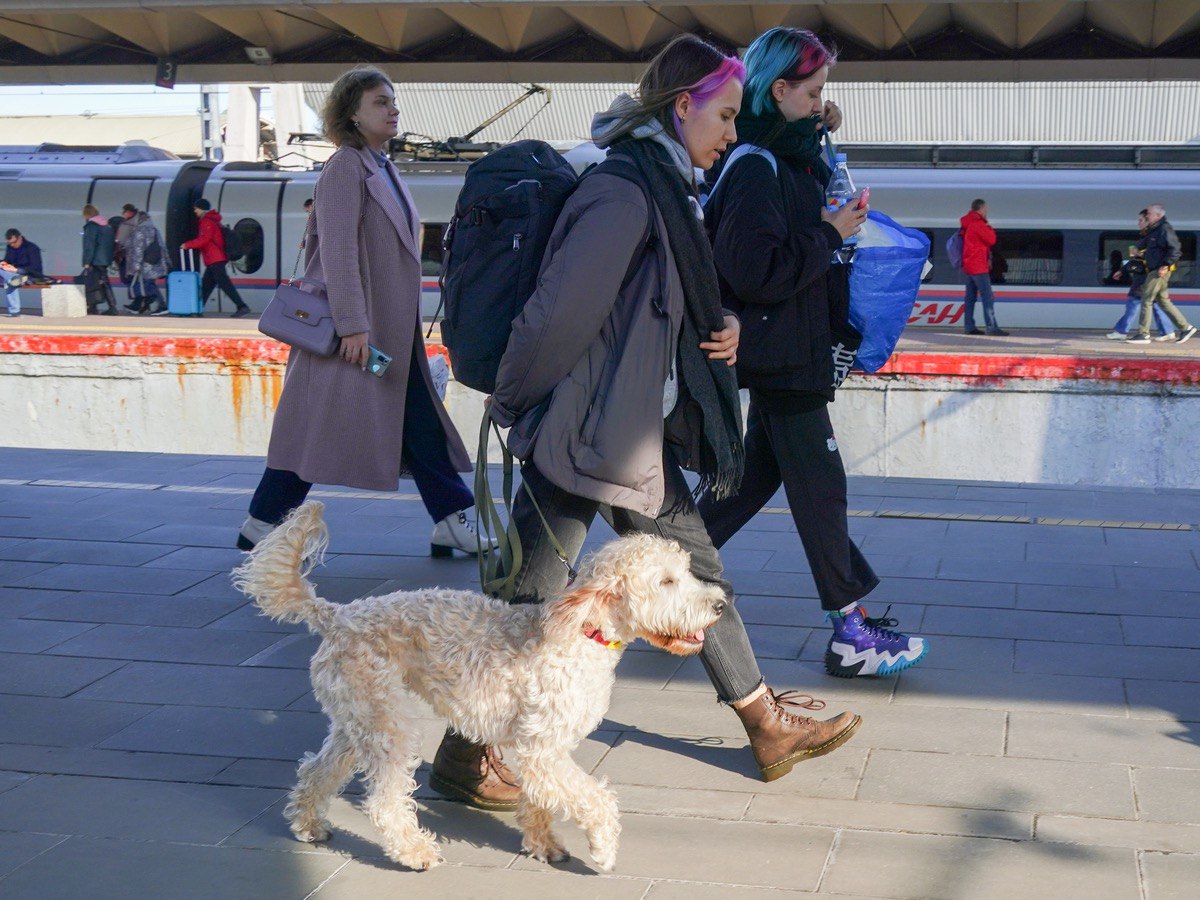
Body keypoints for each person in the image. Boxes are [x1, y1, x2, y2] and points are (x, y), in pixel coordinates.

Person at [428, 35, 863, 811]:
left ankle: (467, 759)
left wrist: (719, 325)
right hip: (599, 430)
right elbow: (561, 311)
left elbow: (646, 307)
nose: (733, 131)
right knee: (609, 585)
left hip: (616, 423)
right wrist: (516, 399)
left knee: (549, 589)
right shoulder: (625, 192)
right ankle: (762, 725)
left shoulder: (659, 184)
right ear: (683, 105)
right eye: (725, 114)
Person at [696, 26, 928, 683]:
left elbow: (795, 226)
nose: (823, 102)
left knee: (749, 484)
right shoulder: (755, 167)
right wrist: (829, 232)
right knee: (822, 491)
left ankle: (662, 575)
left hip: (794, 350)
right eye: (815, 91)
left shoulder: (789, 156)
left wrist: (823, 135)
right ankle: (849, 633)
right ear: (779, 90)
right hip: (778, 355)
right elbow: (752, 269)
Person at [239, 66, 493, 567]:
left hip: (390, 333)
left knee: (415, 421)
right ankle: (264, 521)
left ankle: (451, 520)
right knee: (318, 428)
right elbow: (338, 251)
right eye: (380, 102)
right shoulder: (344, 169)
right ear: (351, 113)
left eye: (393, 100)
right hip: (354, 333)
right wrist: (354, 323)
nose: (393, 108)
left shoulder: (382, 168)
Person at [1127, 203, 1196, 345]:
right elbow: (1141, 247)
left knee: (1146, 299)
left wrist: (1165, 265)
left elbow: (1175, 250)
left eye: (1149, 214)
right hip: (1154, 269)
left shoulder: (1165, 229)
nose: (1147, 215)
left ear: (1158, 215)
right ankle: (1186, 328)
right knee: (1163, 301)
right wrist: (1137, 252)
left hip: (1159, 270)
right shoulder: (1154, 230)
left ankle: (1143, 334)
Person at [1106, 209, 1174, 341]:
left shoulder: (1151, 237)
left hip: (1145, 278)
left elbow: (1154, 257)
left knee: (1133, 302)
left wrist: (1140, 255)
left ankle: (1122, 331)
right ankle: (1167, 331)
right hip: (1144, 276)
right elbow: (1134, 260)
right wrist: (1122, 270)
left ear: (1149, 221)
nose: (1138, 223)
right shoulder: (1144, 236)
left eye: (1141, 220)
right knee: (1153, 304)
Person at [181, 199, 251, 318]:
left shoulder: (206, 221)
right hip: (214, 258)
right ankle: (196, 309)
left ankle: (242, 306)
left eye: (196, 208)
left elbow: (205, 239)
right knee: (206, 285)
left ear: (202, 208)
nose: (195, 211)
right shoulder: (212, 220)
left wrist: (187, 245)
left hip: (215, 258)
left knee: (224, 283)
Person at [959, 199, 1008, 336]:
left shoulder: (967, 223)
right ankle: (991, 327)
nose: (986, 211)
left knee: (970, 298)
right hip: (978, 266)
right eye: (985, 209)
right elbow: (992, 240)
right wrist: (988, 226)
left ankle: (969, 327)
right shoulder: (978, 224)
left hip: (969, 266)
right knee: (988, 297)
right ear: (980, 209)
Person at [119, 204, 167, 315]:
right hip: (153, 262)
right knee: (147, 284)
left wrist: (135, 265)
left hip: (144, 263)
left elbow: (138, 249)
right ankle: (141, 305)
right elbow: (161, 246)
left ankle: (162, 306)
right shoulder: (152, 227)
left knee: (148, 285)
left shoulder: (140, 229)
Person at [80, 204, 119, 315]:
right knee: (97, 282)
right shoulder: (106, 225)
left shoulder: (91, 226)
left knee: (100, 282)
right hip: (105, 259)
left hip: (96, 260)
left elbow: (89, 245)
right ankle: (93, 306)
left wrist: (86, 261)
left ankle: (112, 307)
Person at [2, 229, 45, 318]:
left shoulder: (32, 248)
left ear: (20, 237)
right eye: (10, 243)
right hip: (13, 275)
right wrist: (3, 264)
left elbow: (35, 269)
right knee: (8, 278)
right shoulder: (10, 248)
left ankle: (14, 311)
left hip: (29, 277)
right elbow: (7, 261)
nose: (12, 245)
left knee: (9, 282)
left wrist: (17, 270)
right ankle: (12, 278)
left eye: (14, 242)